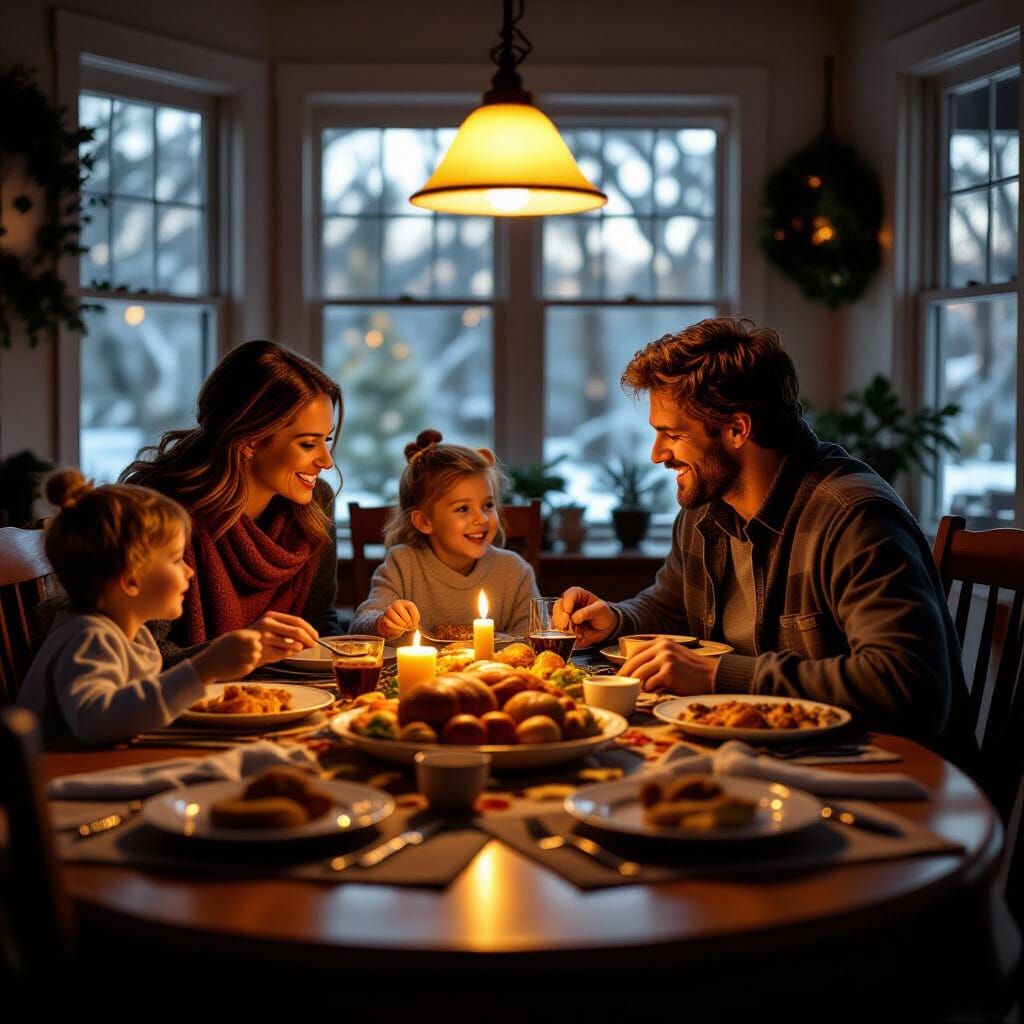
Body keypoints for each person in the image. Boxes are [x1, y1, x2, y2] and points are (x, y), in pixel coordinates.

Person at [558, 317, 970, 747]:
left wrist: (718, 674)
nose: (657, 454)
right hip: (761, 754)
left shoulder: (855, 517)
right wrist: (615, 621)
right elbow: (673, 608)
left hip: (883, 771)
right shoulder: (705, 509)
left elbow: (909, 687)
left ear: (738, 429)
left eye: (672, 435)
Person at [121, 340, 343, 666]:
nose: (326, 461)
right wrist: (242, 650)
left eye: (326, 439)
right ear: (249, 439)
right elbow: (139, 658)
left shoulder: (314, 504)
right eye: (308, 444)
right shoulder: (157, 510)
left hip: (282, 699)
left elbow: (318, 625)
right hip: (176, 708)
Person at [18, 470, 262, 745]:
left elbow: (140, 711)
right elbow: (95, 722)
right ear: (131, 579)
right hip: (55, 777)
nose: (189, 571)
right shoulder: (88, 637)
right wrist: (203, 668)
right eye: (175, 560)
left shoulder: (134, 635)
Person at [351, 429, 540, 641]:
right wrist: (382, 623)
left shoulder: (515, 571)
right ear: (424, 521)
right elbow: (360, 627)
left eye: (488, 505)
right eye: (462, 509)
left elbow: (534, 638)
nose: (482, 519)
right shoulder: (402, 564)